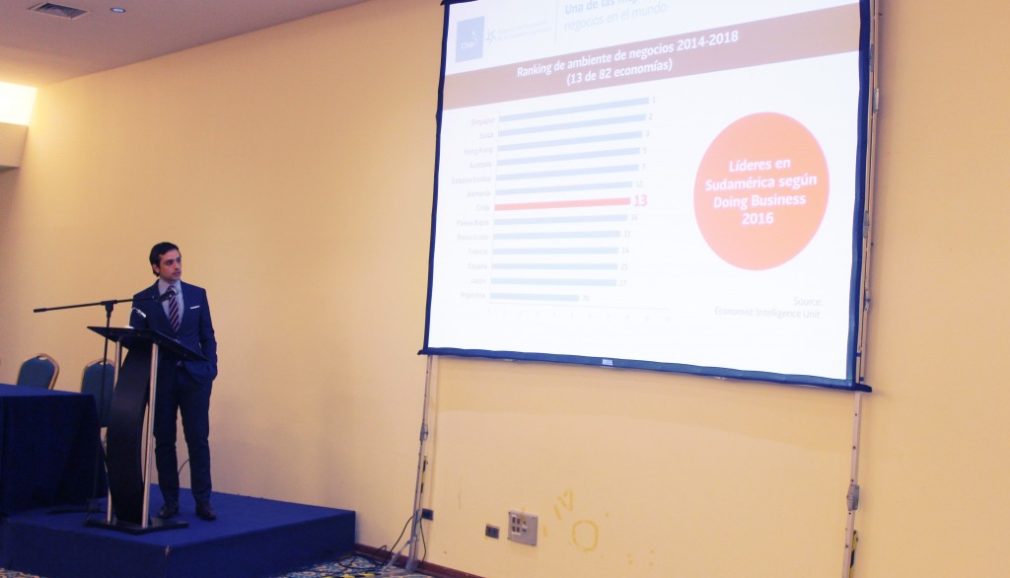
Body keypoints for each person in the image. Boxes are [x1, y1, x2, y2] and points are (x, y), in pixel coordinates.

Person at [129, 242, 219, 521]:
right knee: (164, 441)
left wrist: (210, 368)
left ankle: (203, 501)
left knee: (198, 439)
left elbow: (207, 335)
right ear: (156, 267)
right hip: (162, 379)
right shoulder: (143, 299)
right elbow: (136, 339)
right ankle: (170, 502)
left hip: (194, 378)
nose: (176, 266)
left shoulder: (196, 294)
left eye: (178, 260)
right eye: (169, 262)